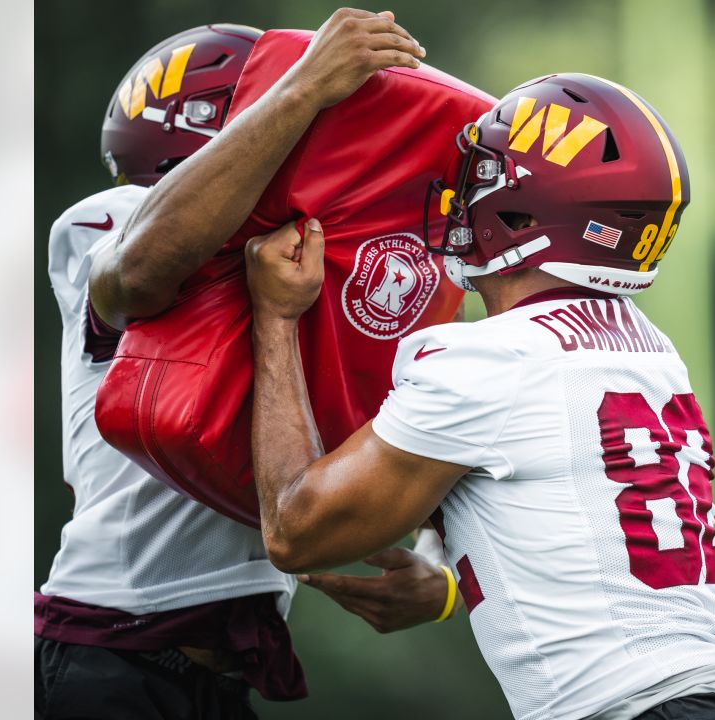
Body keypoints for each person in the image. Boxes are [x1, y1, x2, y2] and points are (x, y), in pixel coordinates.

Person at [244, 73, 715, 719]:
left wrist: (274, 319)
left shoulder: (492, 360)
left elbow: (297, 532)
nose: (460, 197)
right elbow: (534, 488)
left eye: (479, 180)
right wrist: (441, 579)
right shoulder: (648, 349)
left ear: (520, 214)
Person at [37, 14, 452, 719]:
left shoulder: (296, 263)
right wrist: (300, 90)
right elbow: (136, 276)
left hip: (220, 676)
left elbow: (438, 423)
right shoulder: (113, 218)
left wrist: (439, 574)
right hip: (108, 648)